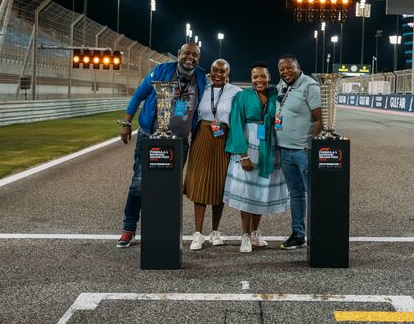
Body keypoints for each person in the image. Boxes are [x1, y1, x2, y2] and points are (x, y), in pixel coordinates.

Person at [116, 42, 207, 248]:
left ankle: (162, 228)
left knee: (169, 187)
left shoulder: (201, 76)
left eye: (194, 55)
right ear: (179, 54)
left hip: (179, 142)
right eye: (186, 53)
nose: (190, 57)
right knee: (139, 183)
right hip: (150, 136)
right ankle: (128, 228)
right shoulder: (162, 70)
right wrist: (127, 123)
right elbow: (139, 94)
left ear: (198, 58)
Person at [224, 61, 288, 253]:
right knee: (247, 193)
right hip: (248, 148)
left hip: (270, 148)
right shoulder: (242, 97)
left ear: (269, 77)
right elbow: (235, 123)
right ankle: (244, 234)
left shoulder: (277, 95)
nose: (258, 80)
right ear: (251, 79)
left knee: (261, 193)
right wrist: (242, 155)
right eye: (255, 77)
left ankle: (255, 233)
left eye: (262, 76)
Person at [184, 59, 242, 250]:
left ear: (228, 73)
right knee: (200, 184)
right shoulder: (203, 89)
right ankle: (198, 233)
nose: (218, 74)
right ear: (210, 72)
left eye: (222, 71)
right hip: (202, 137)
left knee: (219, 186)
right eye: (215, 71)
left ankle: (215, 232)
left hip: (223, 139)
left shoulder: (236, 92)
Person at [275, 54, 323, 250]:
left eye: (289, 68)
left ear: (298, 67)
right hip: (285, 149)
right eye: (282, 69)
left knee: (314, 194)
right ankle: (298, 234)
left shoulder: (310, 86)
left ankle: (320, 233)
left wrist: (309, 145)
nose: (286, 72)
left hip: (303, 151)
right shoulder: (282, 85)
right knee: (295, 195)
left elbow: (320, 119)